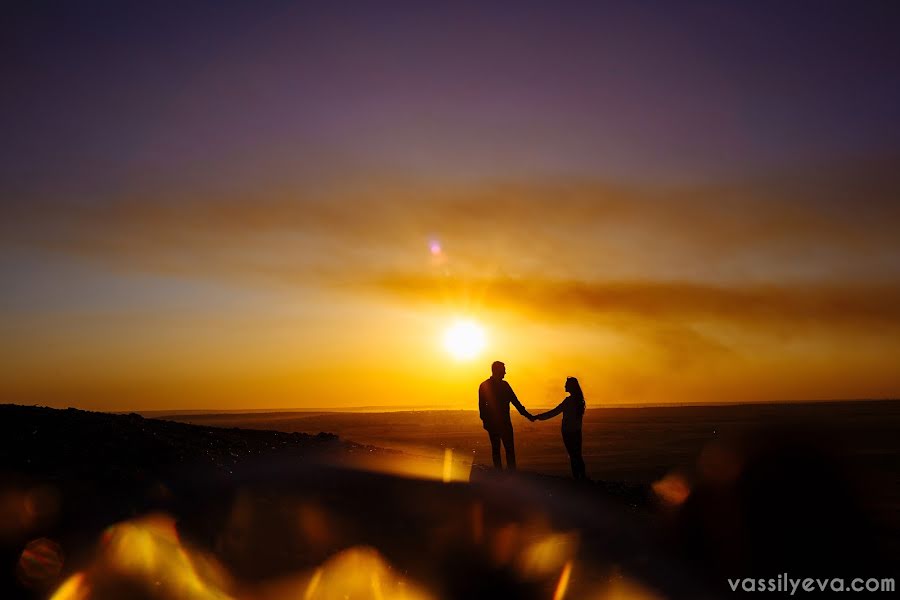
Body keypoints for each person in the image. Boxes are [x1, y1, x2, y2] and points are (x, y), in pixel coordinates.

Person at [478, 361, 534, 470]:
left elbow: (515, 402)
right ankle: (504, 475)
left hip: (502, 423)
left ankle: (508, 474)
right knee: (500, 449)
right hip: (497, 424)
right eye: (503, 370)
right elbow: (482, 407)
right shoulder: (487, 385)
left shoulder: (501, 385)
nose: (505, 373)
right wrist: (485, 421)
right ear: (497, 370)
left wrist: (528, 415)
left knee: (505, 450)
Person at [534, 377, 587, 480]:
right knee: (577, 455)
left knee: (573, 455)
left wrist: (538, 417)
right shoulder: (579, 401)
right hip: (576, 431)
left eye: (566, 384)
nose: (564, 386)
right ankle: (582, 478)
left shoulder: (569, 401)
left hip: (568, 432)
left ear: (571, 386)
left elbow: (554, 412)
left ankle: (577, 478)